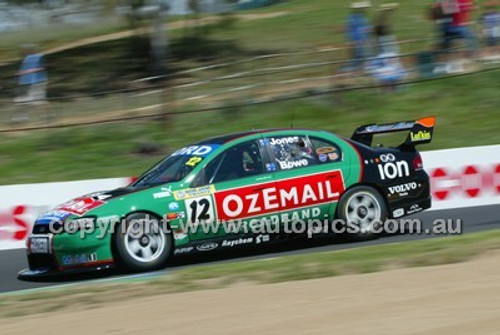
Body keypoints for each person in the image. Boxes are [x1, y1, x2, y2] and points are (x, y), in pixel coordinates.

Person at [13, 45, 48, 121]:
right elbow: (25, 69)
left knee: (37, 101)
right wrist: (20, 73)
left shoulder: (39, 56)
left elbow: (43, 67)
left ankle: (45, 118)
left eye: (25, 50)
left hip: (37, 81)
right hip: (26, 82)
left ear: (32, 49)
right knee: (22, 99)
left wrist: (29, 71)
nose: (23, 52)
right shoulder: (27, 58)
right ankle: (21, 118)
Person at [345, 2, 373, 70]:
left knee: (365, 53)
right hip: (357, 39)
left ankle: (364, 66)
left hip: (363, 39)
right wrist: (350, 40)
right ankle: (359, 66)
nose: (364, 10)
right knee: (359, 54)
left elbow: (366, 29)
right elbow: (349, 29)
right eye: (362, 8)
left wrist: (369, 33)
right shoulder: (352, 18)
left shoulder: (363, 18)